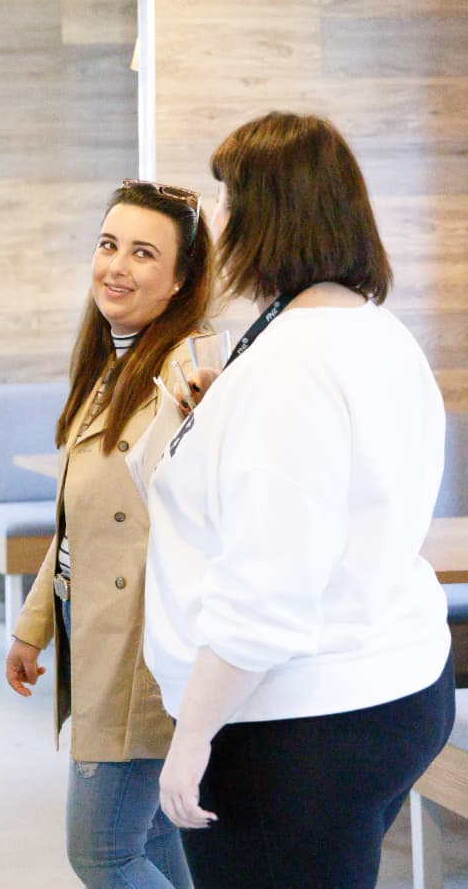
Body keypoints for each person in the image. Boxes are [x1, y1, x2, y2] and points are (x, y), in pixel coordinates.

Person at [145, 112, 454, 889]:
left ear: (268, 215)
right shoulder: (373, 329)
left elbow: (267, 595)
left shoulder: (293, 364)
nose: (214, 221)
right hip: (392, 687)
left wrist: (192, 739)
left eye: (225, 198)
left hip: (294, 724)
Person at [5, 180, 212, 888]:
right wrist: (34, 626)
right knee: (150, 842)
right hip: (105, 639)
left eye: (143, 253)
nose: (116, 266)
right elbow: (81, 525)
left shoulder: (186, 370)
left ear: (180, 278)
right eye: (107, 244)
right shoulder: (113, 361)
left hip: (140, 655)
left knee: (102, 851)